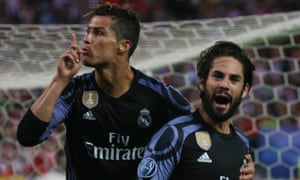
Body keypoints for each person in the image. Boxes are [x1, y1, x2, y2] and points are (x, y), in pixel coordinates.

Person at [16, 2, 192, 179]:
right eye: (88, 31)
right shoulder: (74, 91)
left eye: (98, 33)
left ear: (123, 46)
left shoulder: (160, 97)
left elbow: (192, 150)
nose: (87, 39)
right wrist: (60, 79)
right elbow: (28, 136)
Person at [137, 41, 256, 180]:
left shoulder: (243, 145)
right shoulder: (175, 135)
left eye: (234, 79)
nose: (224, 84)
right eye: (217, 76)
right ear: (201, 83)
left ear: (244, 90)